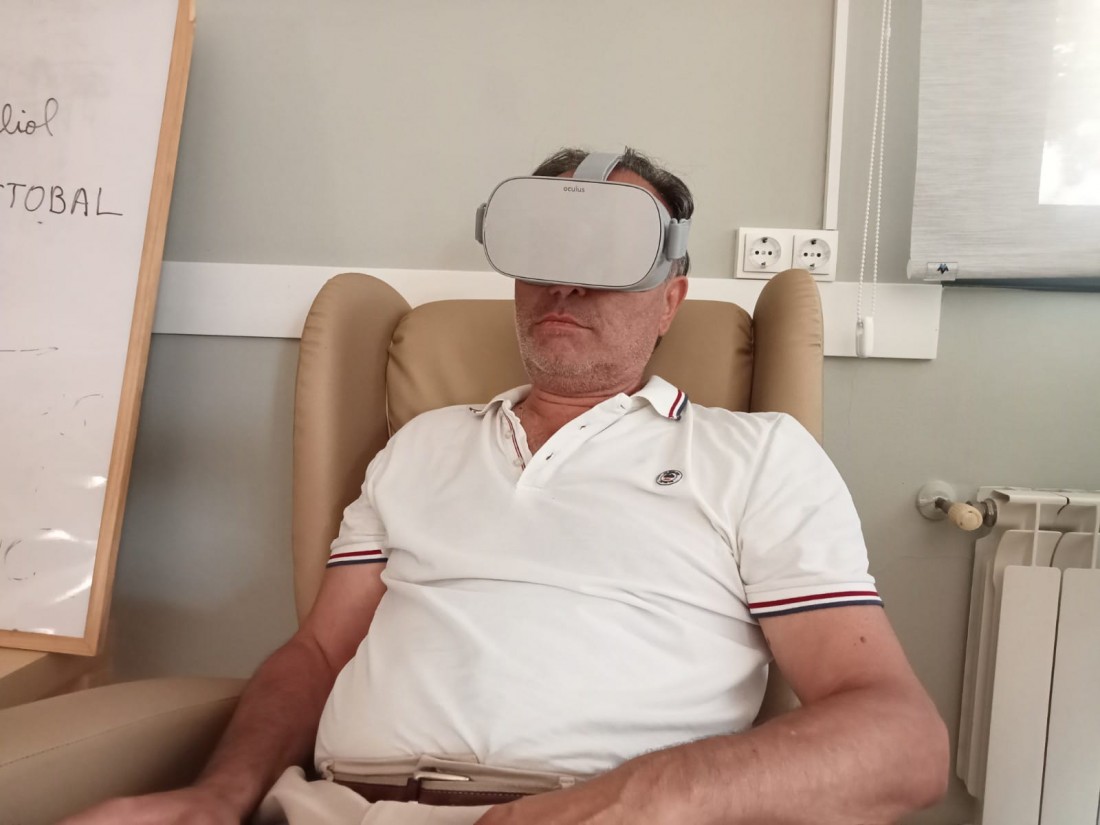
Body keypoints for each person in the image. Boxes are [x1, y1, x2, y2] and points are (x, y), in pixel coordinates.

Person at [65, 148, 948, 825]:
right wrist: (217, 795)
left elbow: (901, 741)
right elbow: (320, 654)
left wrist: (624, 802)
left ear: (670, 300)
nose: (566, 284)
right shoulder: (420, 444)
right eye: (544, 252)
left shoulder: (756, 457)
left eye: (606, 255)